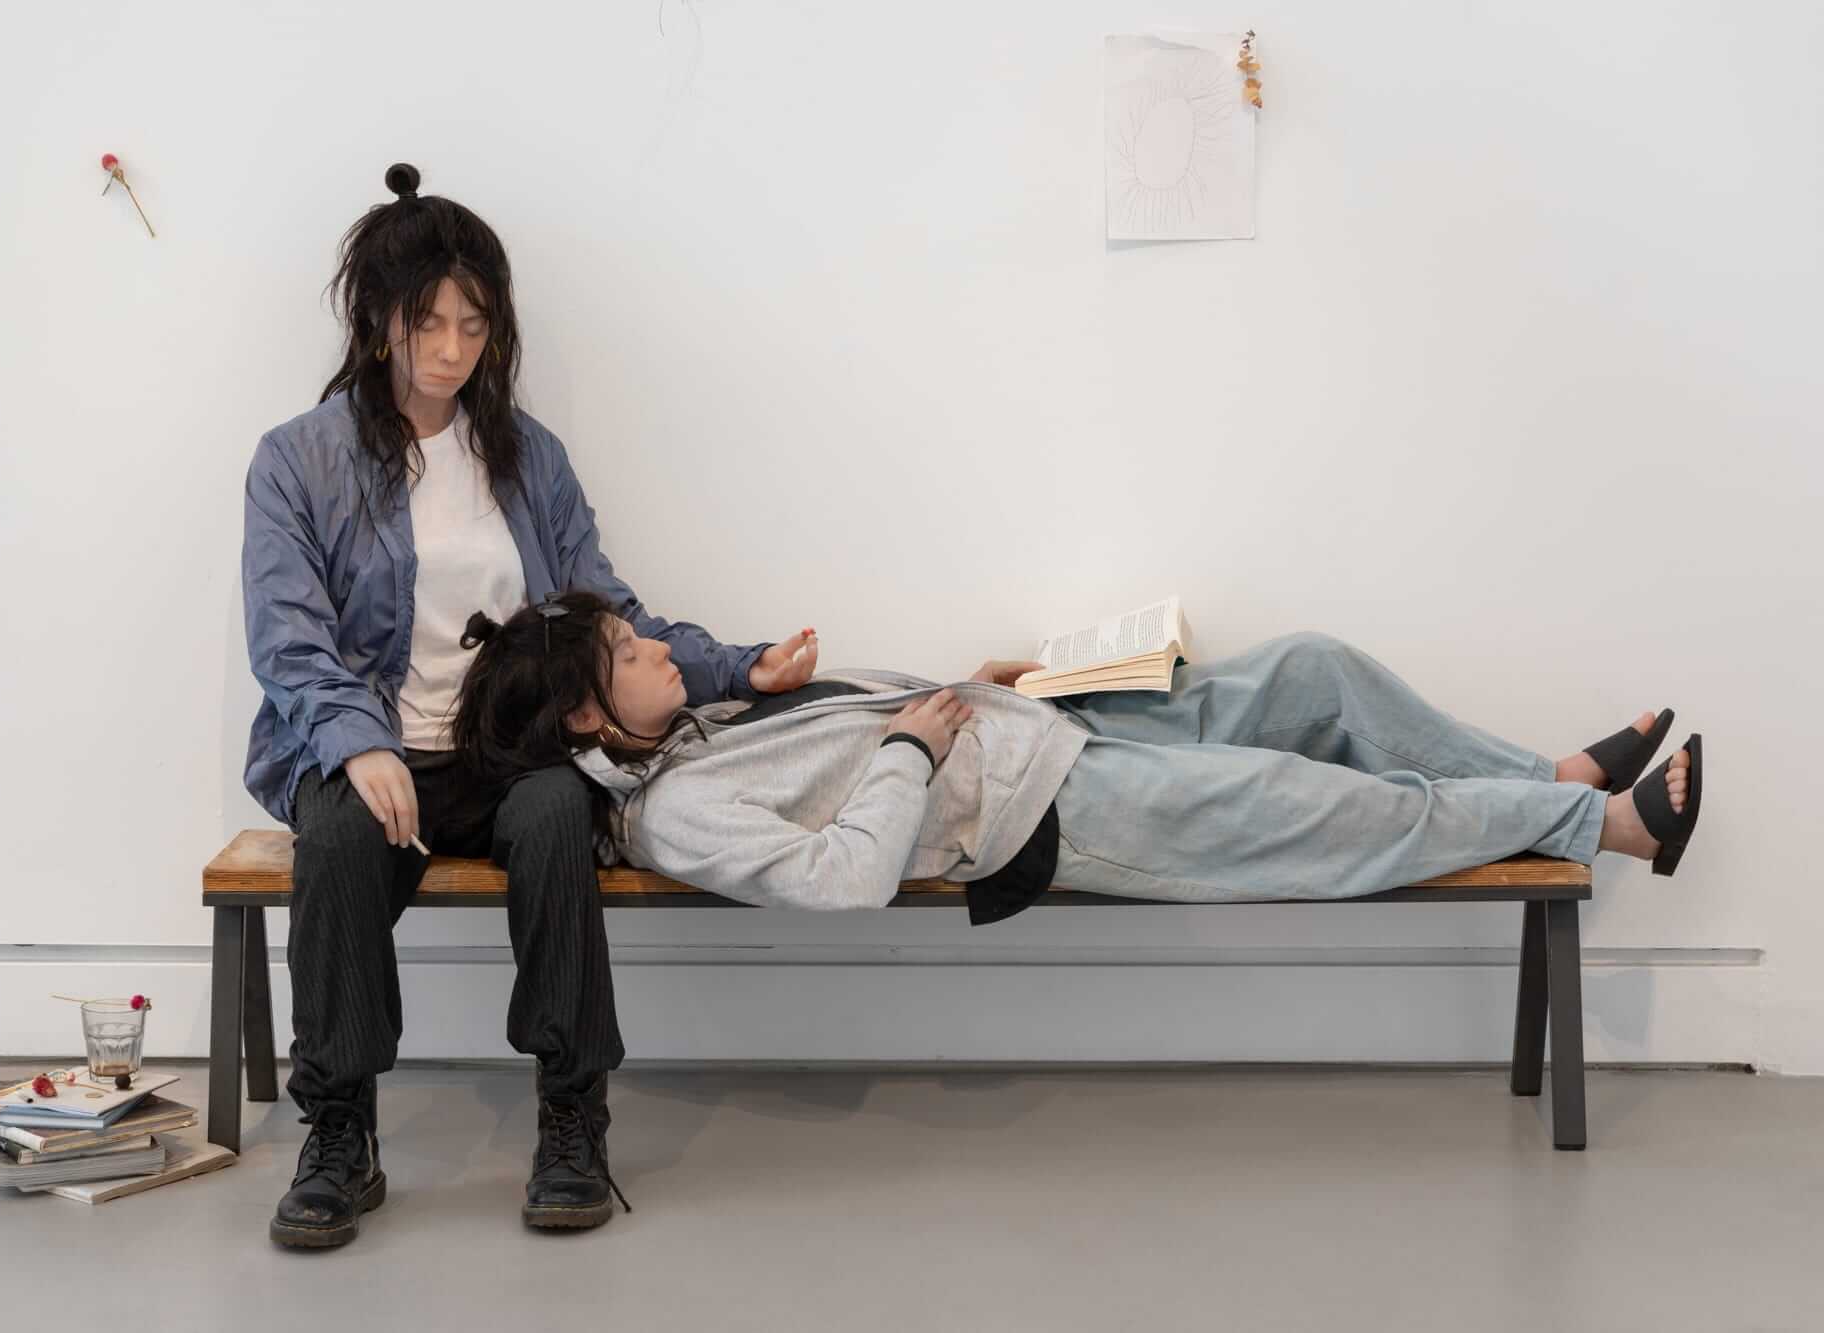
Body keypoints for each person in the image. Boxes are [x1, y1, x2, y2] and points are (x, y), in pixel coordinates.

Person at [241, 164, 819, 1249]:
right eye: (427, 322)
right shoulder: (298, 462)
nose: (451, 348)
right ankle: (339, 1129)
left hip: (505, 753)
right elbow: (287, 638)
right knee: (337, 831)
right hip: (374, 753)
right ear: (377, 319)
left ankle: (572, 1116)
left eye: (473, 324)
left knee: (557, 810)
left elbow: (608, 615)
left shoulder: (526, 457)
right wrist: (359, 744)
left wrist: (742, 668)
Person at [451, 591, 1703, 930]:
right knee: (1317, 805)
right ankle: (1606, 827)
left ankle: (1548, 775)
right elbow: (842, 878)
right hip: (1048, 812)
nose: (659, 646)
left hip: (1048, 733)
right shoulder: (675, 813)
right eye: (629, 652)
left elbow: (861, 739)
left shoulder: (697, 726)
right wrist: (909, 743)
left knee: (1313, 669)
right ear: (585, 717)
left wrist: (970, 687)